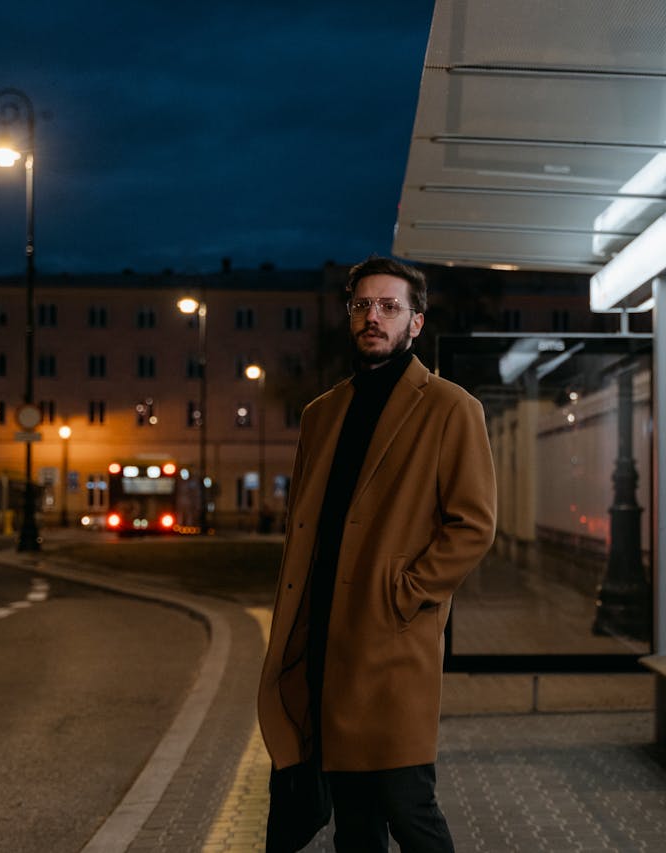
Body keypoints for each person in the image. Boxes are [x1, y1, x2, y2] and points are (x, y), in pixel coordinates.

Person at [257, 255, 496, 852]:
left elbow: (473, 525)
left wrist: (407, 592)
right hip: (322, 642)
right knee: (353, 821)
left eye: (390, 306)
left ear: (416, 323)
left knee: (407, 803)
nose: (374, 317)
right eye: (363, 305)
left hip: (391, 639)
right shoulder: (321, 414)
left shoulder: (450, 408)